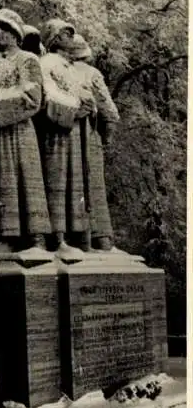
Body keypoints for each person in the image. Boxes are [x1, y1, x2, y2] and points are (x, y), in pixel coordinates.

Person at [0, 9, 51, 254]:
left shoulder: (28, 60)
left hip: (19, 131)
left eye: (4, 28)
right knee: (0, 183)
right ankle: (3, 236)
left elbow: (33, 98)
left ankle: (35, 237)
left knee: (25, 180)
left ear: (16, 33)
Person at [39, 19, 96, 259]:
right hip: (56, 132)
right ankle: (58, 236)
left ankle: (77, 235)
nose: (70, 38)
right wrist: (75, 109)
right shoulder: (47, 63)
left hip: (75, 133)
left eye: (70, 34)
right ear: (54, 38)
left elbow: (84, 96)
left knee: (76, 185)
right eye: (65, 34)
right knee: (57, 182)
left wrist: (89, 106)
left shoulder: (71, 68)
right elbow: (47, 97)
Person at [70, 34, 120, 251]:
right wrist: (105, 138)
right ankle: (102, 238)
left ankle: (79, 237)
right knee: (95, 189)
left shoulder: (60, 72)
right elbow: (110, 113)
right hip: (91, 139)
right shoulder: (92, 74)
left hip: (63, 141)